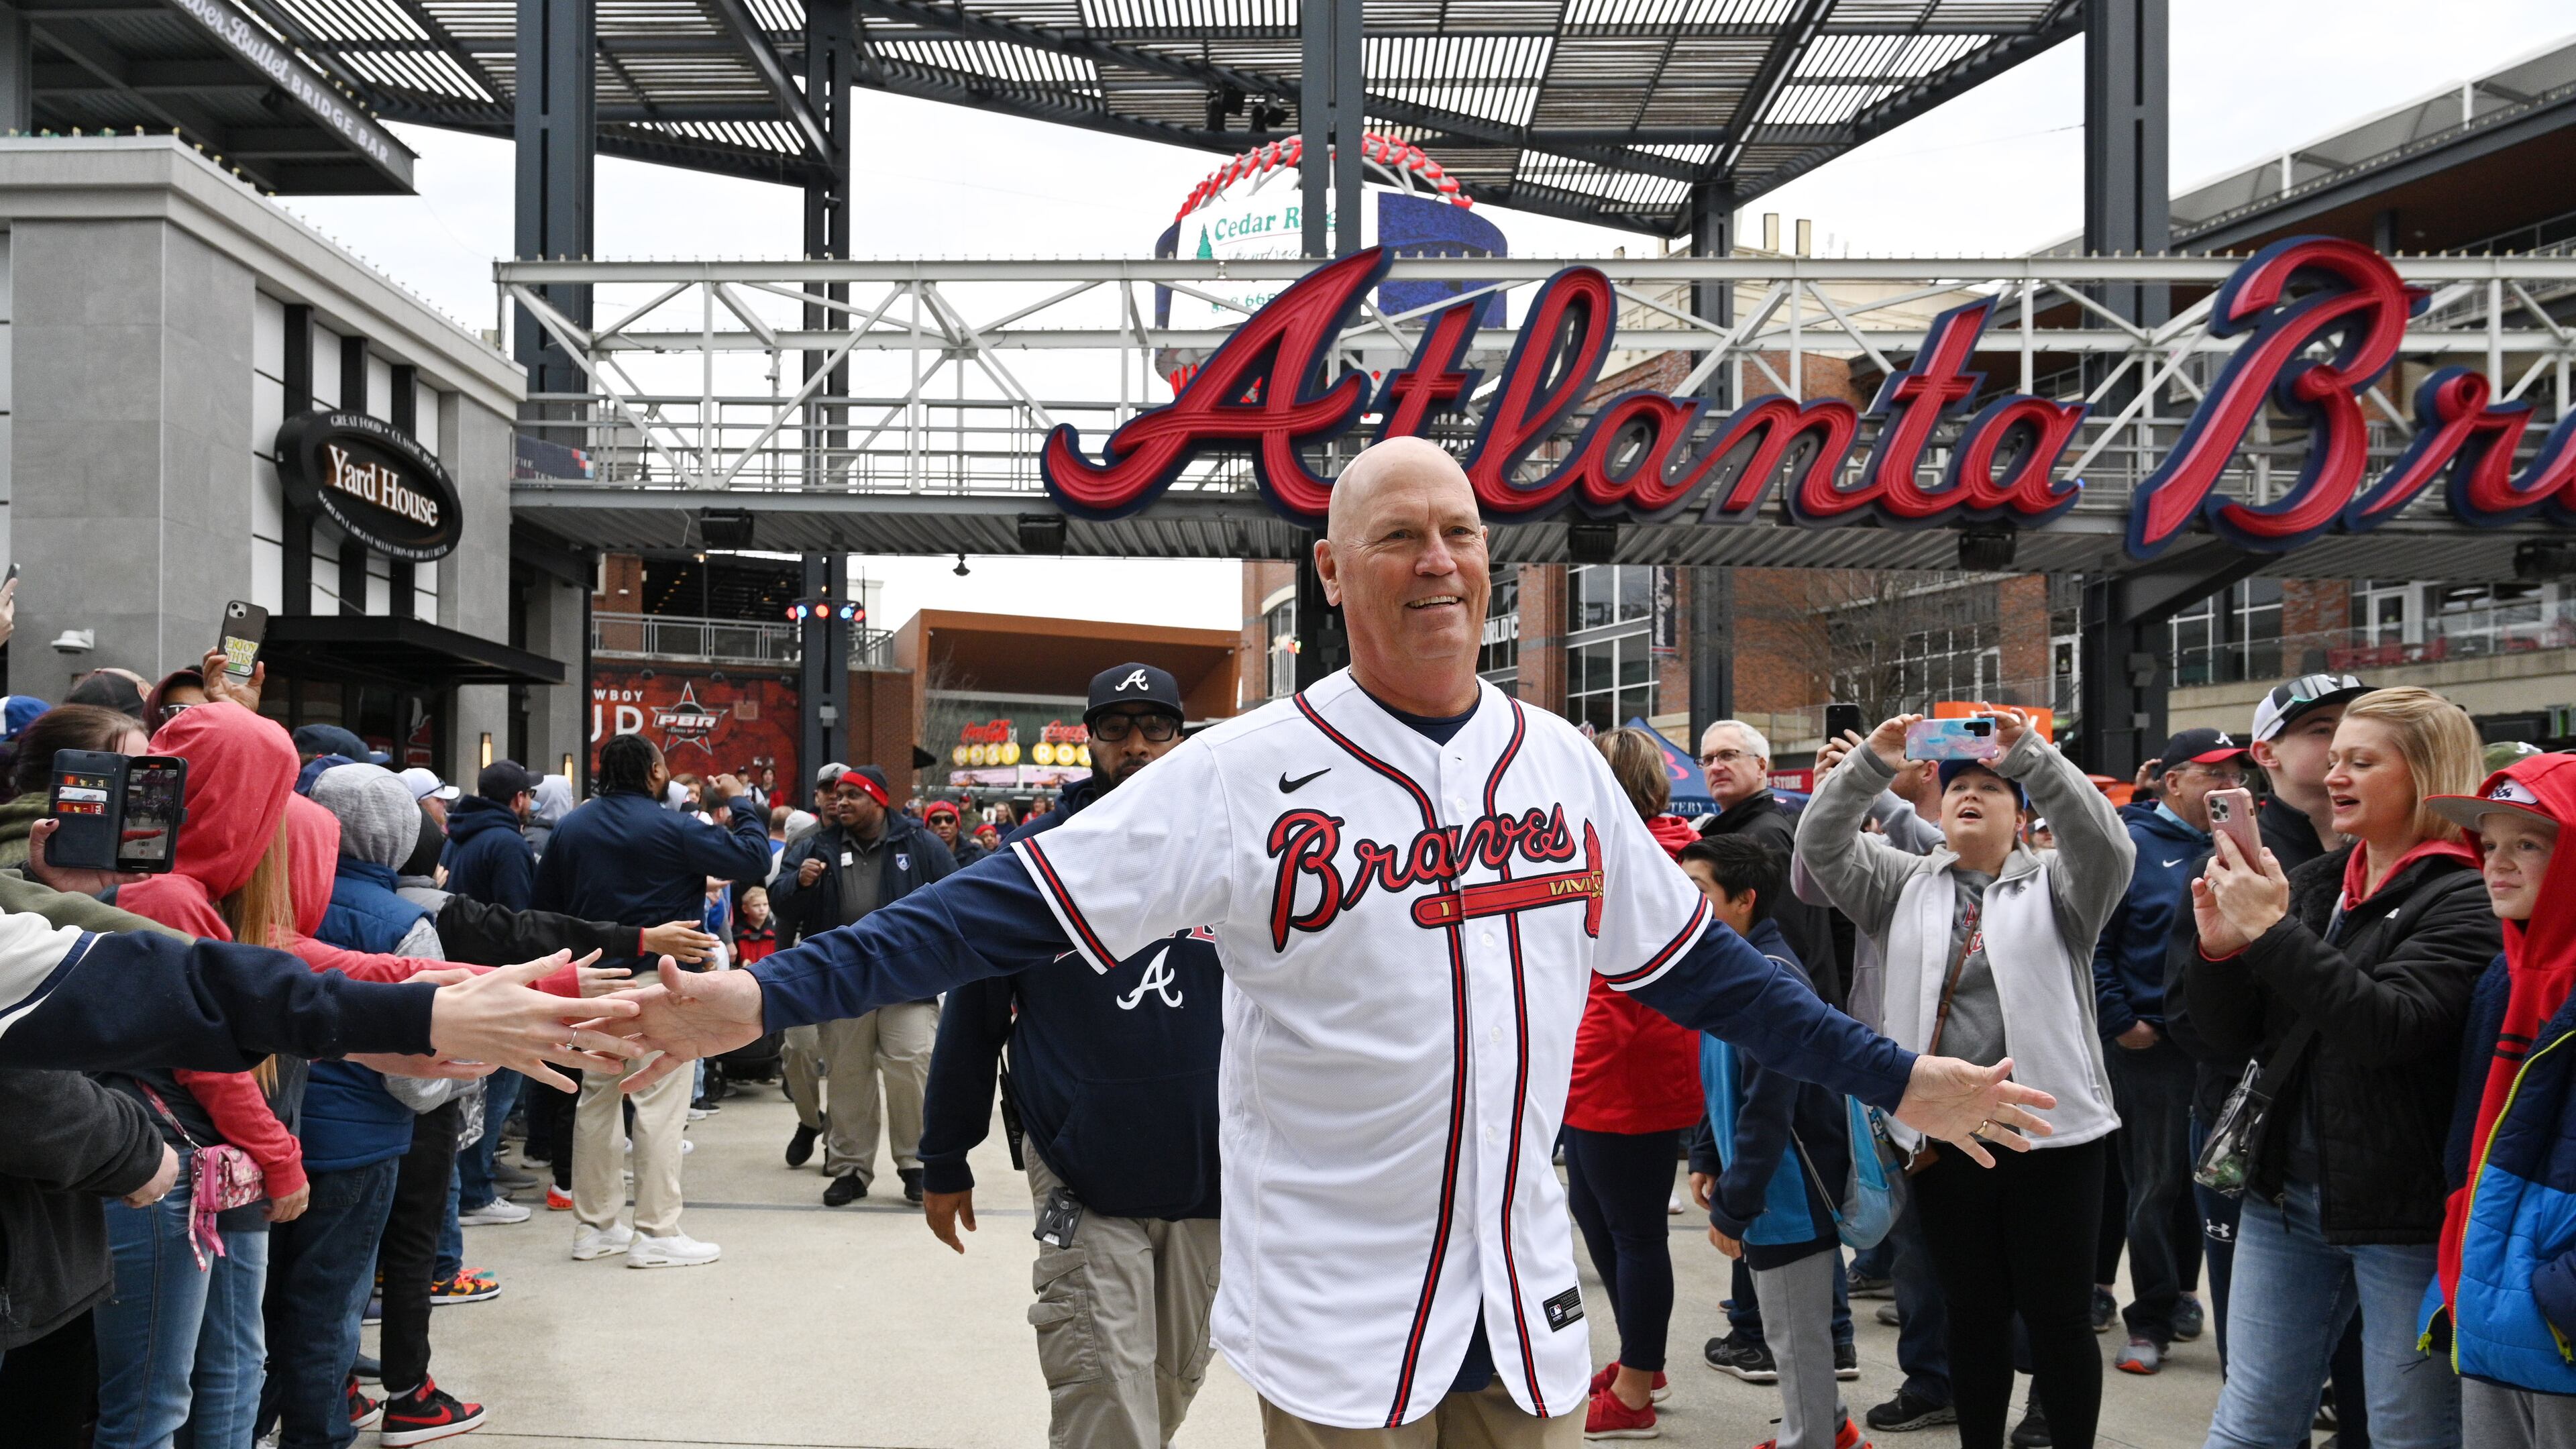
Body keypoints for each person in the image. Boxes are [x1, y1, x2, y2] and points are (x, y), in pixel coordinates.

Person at [601, 435, 2053, 1446]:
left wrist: (1893, 1075)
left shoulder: (1555, 763)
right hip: (1341, 1302)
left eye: (1462, 536)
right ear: (1333, 570)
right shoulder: (1241, 773)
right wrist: (770, 990)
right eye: (1400, 537)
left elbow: (1699, 967)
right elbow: (999, 907)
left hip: (1520, 1283)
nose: (1440, 564)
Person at [1796, 708, 2133, 1449]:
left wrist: (2034, 757)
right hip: (1947, 1142)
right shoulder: (1900, 881)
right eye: (1957, 788)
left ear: (2020, 811)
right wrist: (1873, 763)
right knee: (1972, 1313)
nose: (1971, 796)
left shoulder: (2061, 890)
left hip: (2056, 1139)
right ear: (1938, 809)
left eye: (1992, 786)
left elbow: (2108, 844)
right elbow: (1820, 843)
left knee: (2059, 1319)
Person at [916, 661, 1224, 1449]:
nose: (1137, 745)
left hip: (1210, 1177)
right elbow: (973, 1018)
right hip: (1084, 1170)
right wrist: (946, 1156)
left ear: (1179, 736)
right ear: (1089, 741)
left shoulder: (1229, 853)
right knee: (1106, 1399)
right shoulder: (1031, 863)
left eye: (1155, 725)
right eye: (1116, 728)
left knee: (1168, 1388)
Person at [2188, 687, 2494, 1449]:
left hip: (2405, 1217)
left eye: (2361, 762)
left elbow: (2386, 1028)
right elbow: (2229, 1040)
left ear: (2426, 775)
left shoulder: (2467, 896)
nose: (2334, 777)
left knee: (2409, 1431)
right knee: (2250, 1419)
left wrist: (2270, 931)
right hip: (2282, 1198)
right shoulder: (2321, 882)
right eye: (2334, 760)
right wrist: (2224, 949)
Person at [533, 732, 769, 1268]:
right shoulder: (674, 827)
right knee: (659, 1106)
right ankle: (656, 1231)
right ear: (657, 773)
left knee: (597, 1099)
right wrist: (737, 799)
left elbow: (542, 911)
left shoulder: (570, 828)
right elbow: (754, 859)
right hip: (661, 983)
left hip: (594, 982)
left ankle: (594, 1228)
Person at [1684, 833, 1861, 1449]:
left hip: (1787, 1194)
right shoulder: (1728, 971)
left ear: (1744, 900)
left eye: (1697, 891)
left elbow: (1769, 1107)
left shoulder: (1770, 979)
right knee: (1791, 1330)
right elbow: (1724, 1080)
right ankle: (1828, 1430)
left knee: (1794, 1334)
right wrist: (1708, 1152)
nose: (1684, 904)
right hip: (1763, 1188)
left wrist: (1737, 1202)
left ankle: (1812, 1437)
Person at [2422, 751, 2576, 1448]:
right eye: (2490, 845)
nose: (2498, 864)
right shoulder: (2503, 976)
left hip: (2553, 1316)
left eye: (2529, 845)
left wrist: (2560, 1296)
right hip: (2492, 1305)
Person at [1562, 727, 1705, 1438]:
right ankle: (1637, 1360)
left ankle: (1639, 1387)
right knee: (1596, 1215)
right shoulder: (1636, 848)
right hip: (1604, 1061)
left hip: (1628, 1063)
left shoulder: (1652, 855)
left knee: (1634, 1230)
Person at [2092, 727, 2245, 1375]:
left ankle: (2185, 1293)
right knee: (2153, 1184)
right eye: (2211, 773)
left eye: (2234, 772)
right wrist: (2121, 1020)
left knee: (2208, 1185)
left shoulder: (2240, 845)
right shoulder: (2128, 844)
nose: (2226, 785)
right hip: (2149, 1047)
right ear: (2172, 780)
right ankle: (2149, 1315)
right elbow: (2093, 940)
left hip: (2221, 1048)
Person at [771, 763, 957, 1205]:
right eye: (837, 796)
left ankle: (915, 1163)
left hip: (908, 978)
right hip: (844, 978)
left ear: (877, 799)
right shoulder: (815, 844)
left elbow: (958, 893)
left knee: (912, 1060)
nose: (841, 803)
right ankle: (851, 1168)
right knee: (848, 1074)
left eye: (852, 796)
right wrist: (799, 882)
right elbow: (781, 901)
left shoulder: (919, 842)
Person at [0, 703, 151, 867]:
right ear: (70, 774)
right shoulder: (38, 856)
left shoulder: (97, 843)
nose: (144, 786)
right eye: (130, 772)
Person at [445, 760, 541, 910]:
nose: (531, 801)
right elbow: (518, 919)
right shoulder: (509, 845)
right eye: (530, 794)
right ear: (519, 798)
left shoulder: (455, 838)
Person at [735, 886, 777, 966]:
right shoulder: (738, 932)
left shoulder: (774, 931)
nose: (762, 909)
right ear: (745, 909)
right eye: (756, 905)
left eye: (765, 904)